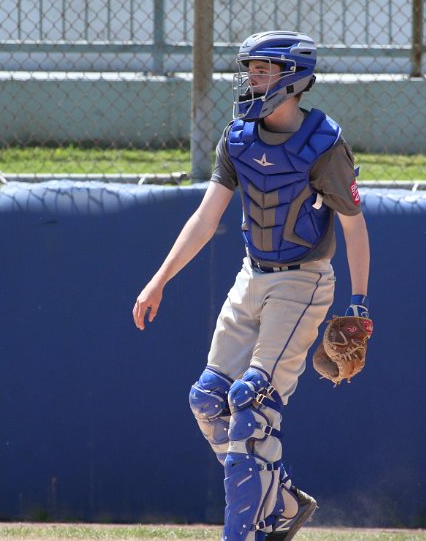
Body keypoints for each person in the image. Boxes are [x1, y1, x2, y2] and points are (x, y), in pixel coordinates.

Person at [132, 30, 370, 541]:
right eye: (250, 70)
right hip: (252, 274)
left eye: (264, 70)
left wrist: (359, 304)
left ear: (294, 78)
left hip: (304, 281)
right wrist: (159, 280)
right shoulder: (238, 137)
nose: (252, 79)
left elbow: (354, 227)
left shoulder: (324, 143)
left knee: (252, 401)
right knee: (208, 399)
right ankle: (282, 503)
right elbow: (205, 218)